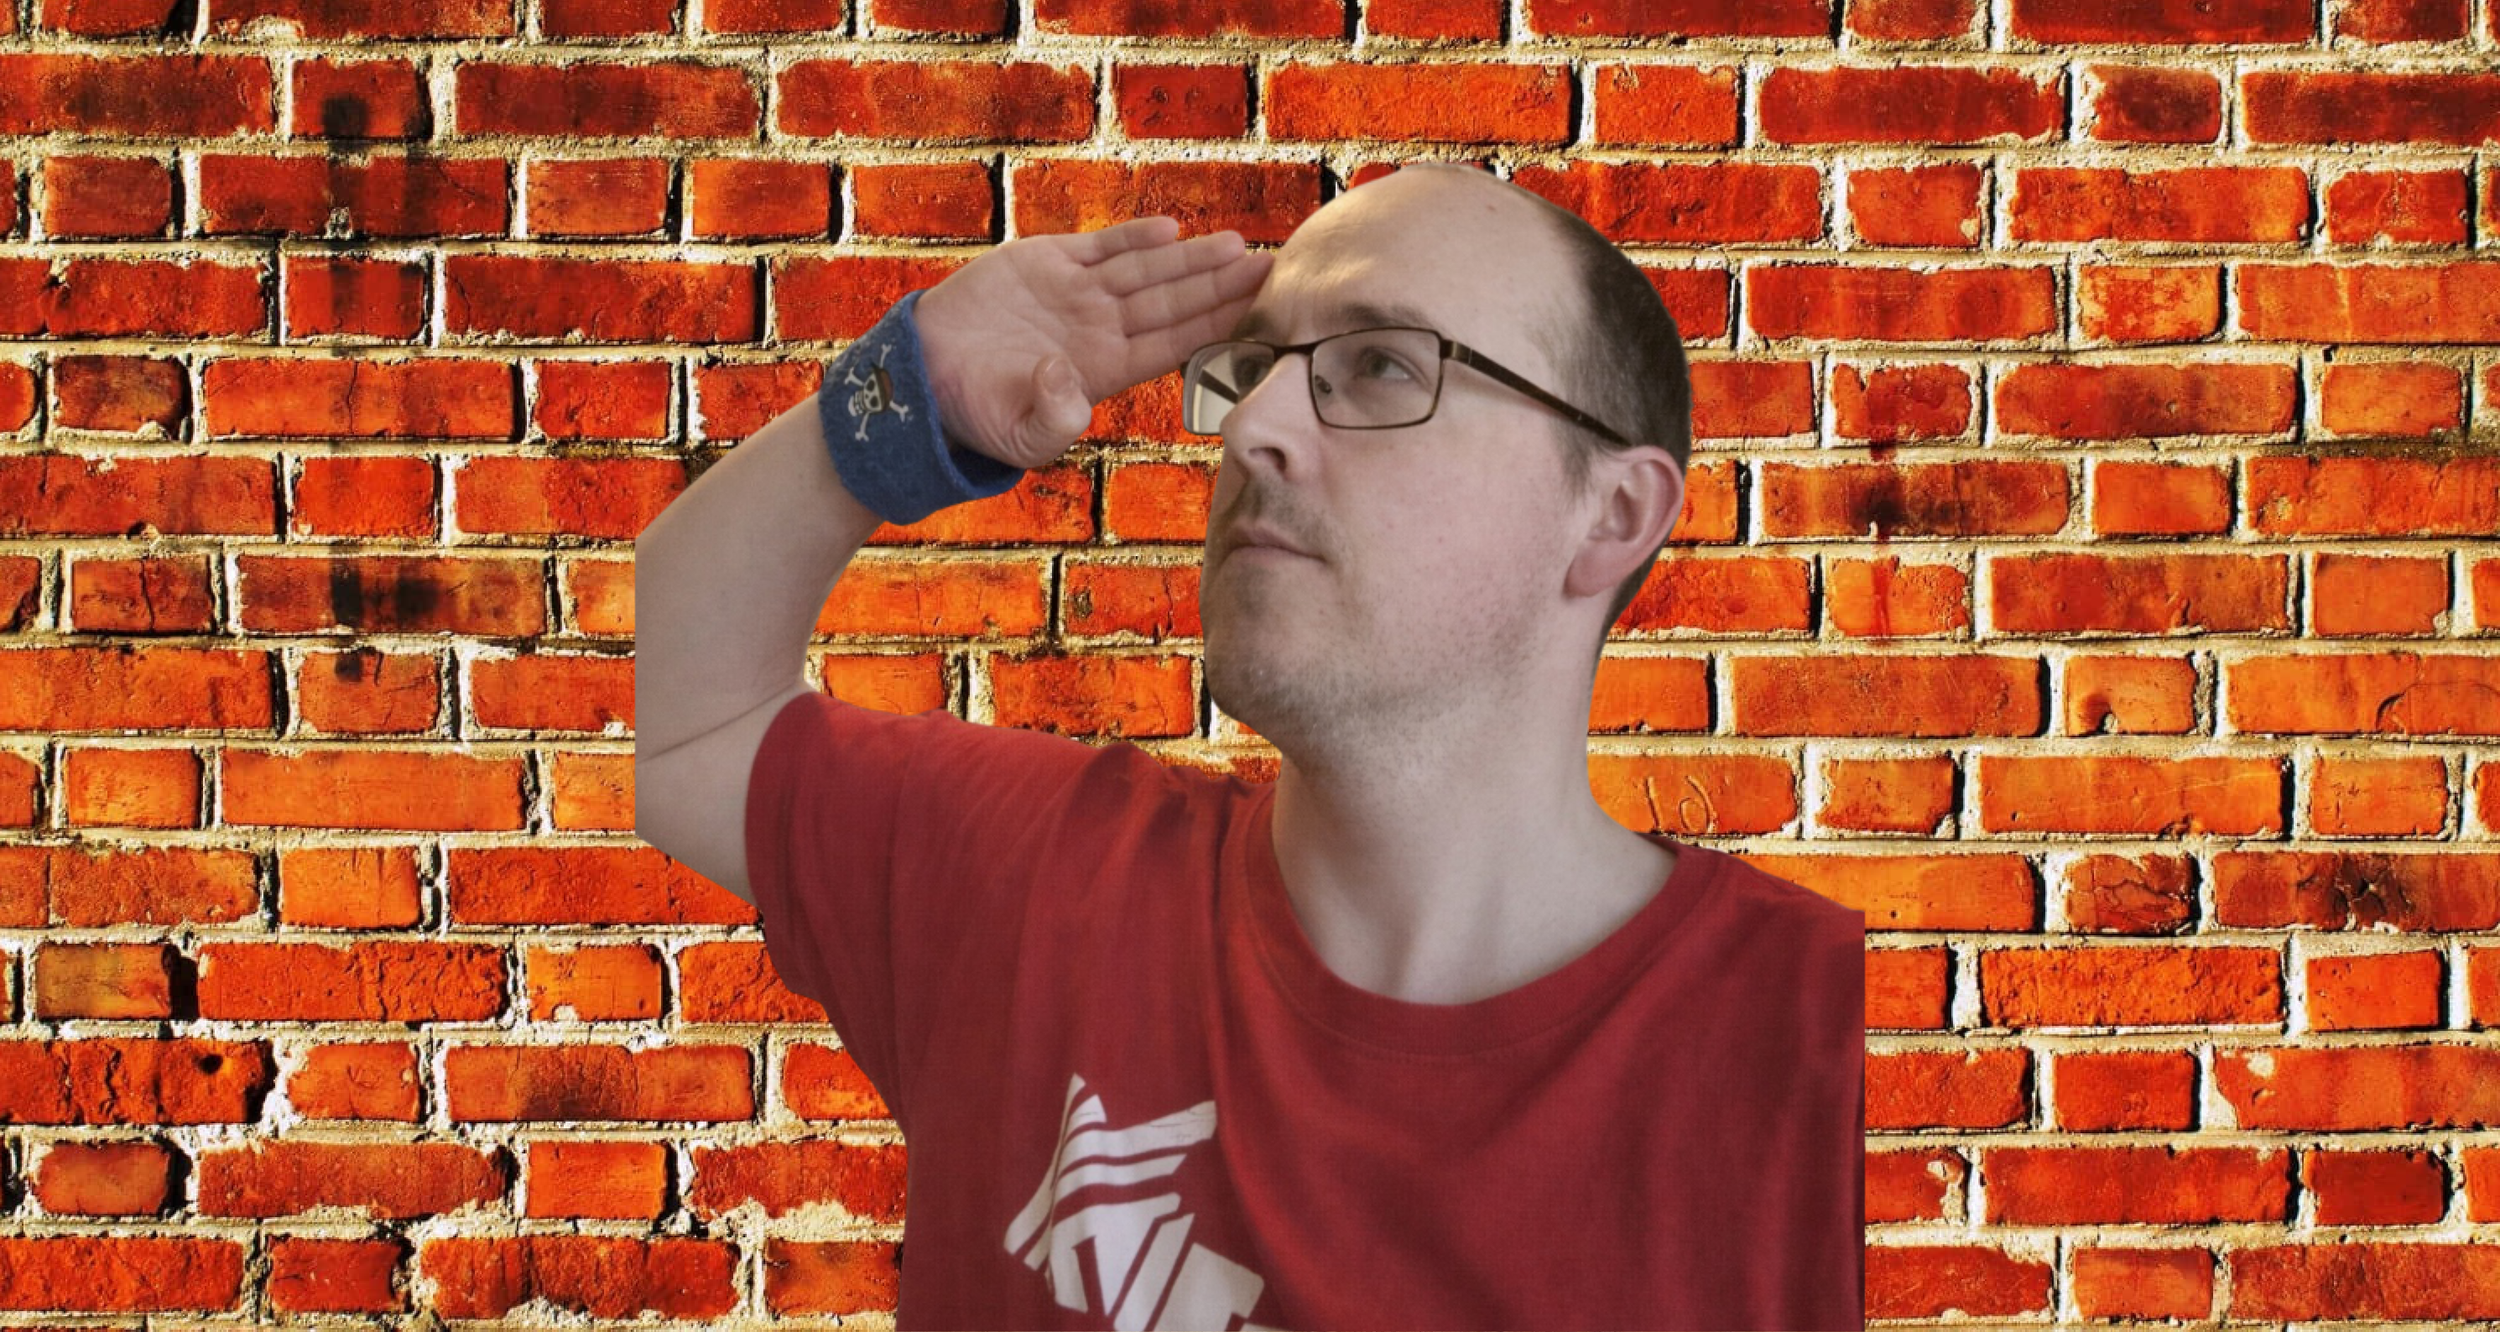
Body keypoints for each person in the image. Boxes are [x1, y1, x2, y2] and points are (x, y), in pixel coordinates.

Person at [634, 163, 1865, 1330]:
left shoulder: (1825, 1049)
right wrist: (910, 391)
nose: (1254, 428)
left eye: (1382, 364)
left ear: (1609, 515)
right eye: (1257, 367)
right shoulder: (1035, 882)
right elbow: (678, 726)